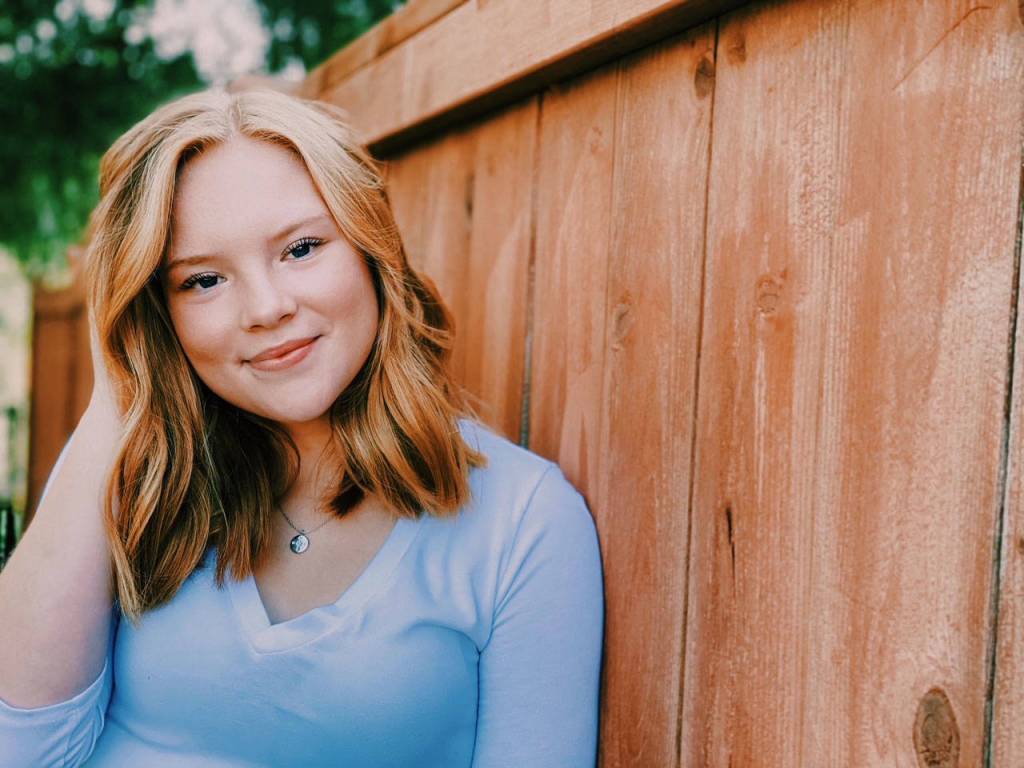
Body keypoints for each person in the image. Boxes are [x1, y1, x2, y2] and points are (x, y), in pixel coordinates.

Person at [0, 88, 604, 767]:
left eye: (302, 248)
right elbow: (20, 749)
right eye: (203, 281)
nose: (266, 307)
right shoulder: (130, 476)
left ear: (372, 248)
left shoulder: (522, 520)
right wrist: (122, 375)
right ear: (157, 312)